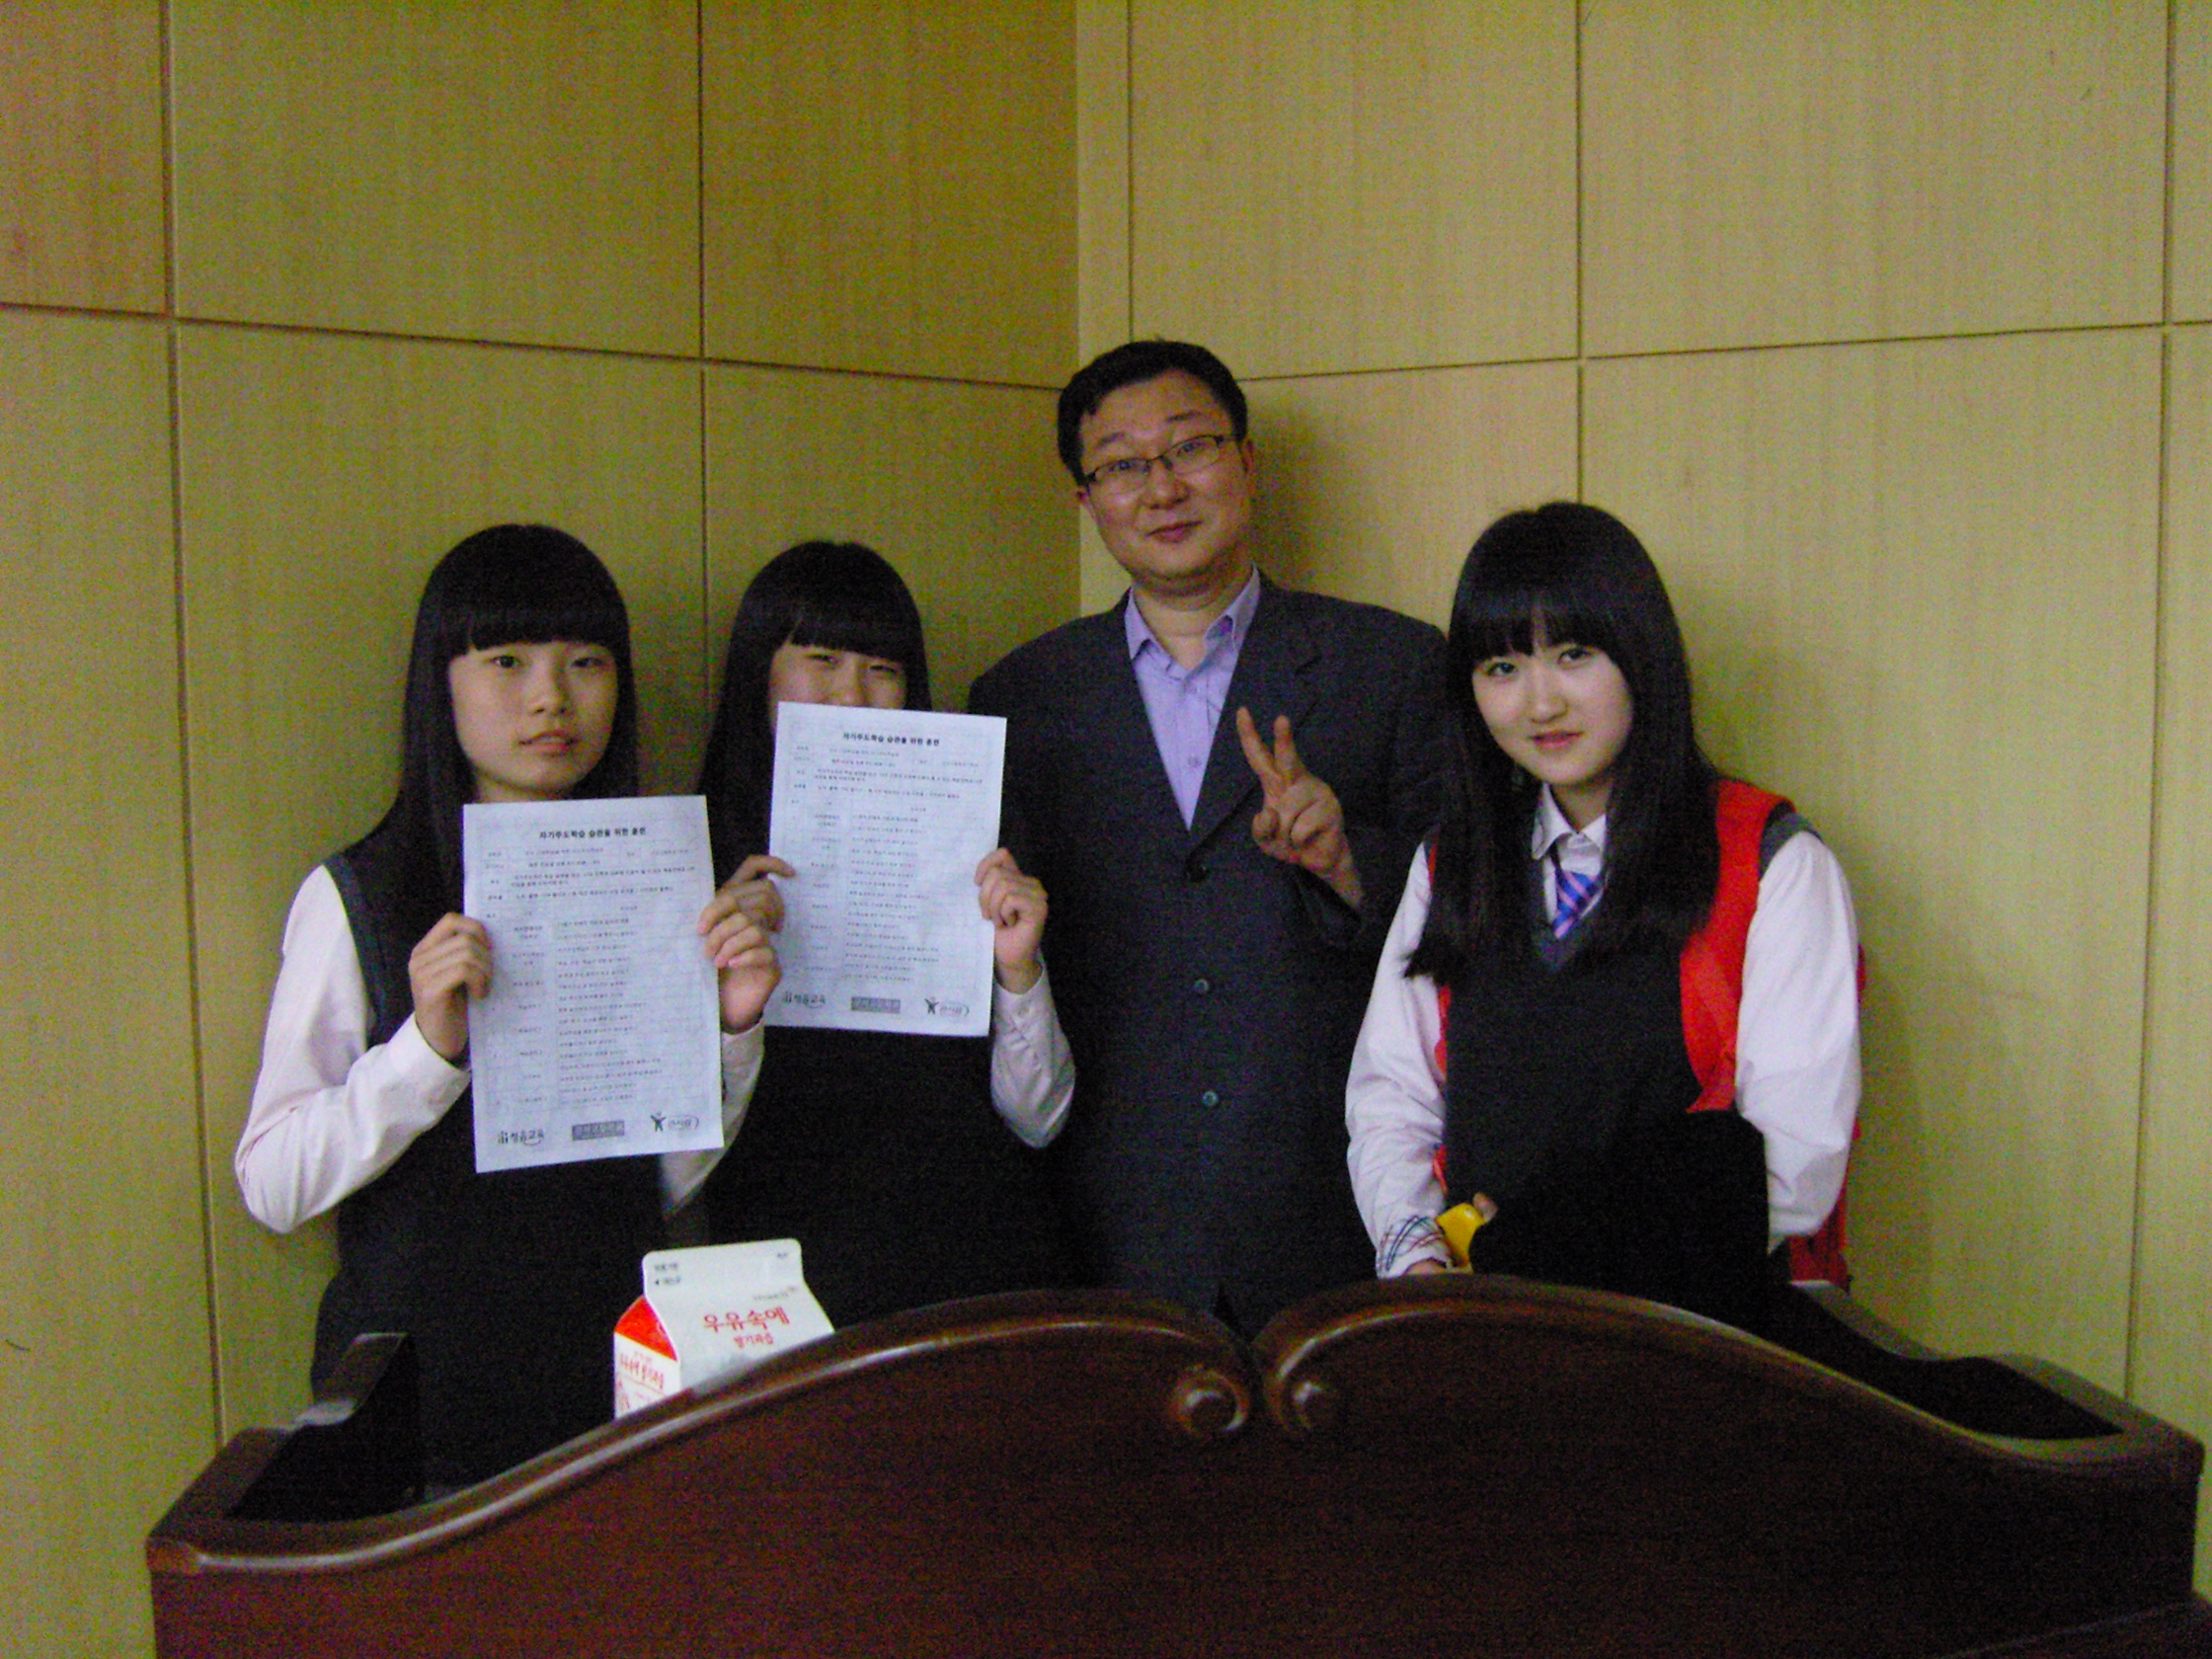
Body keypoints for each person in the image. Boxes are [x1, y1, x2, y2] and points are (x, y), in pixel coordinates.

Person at [237, 524, 778, 1487]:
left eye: (586, 663)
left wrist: (733, 1031)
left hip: (613, 1405)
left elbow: (661, 1180)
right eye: (507, 662)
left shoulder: (652, 880)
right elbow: (273, 1183)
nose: (550, 698)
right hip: (421, 1423)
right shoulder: (363, 893)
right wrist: (426, 1052)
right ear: (440, 682)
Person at [969, 340, 1451, 1334]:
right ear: (1084, 499)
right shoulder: (1020, 699)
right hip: (1104, 1227)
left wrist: (1347, 861)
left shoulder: (1391, 666)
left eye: (1190, 448)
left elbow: (1476, 926)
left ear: (1247, 462)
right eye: (1122, 465)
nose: (1161, 488)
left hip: (1330, 1208)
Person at [1345, 502, 1859, 1327]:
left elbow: (1793, 1166)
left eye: (1574, 655)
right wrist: (1417, 1261)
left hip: (1704, 1341)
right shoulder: (1450, 862)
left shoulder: (1771, 864)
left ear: (1642, 654)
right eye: (1502, 667)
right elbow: (1391, 1098)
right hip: (1481, 1326)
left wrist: (1529, 1248)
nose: (1540, 704)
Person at [693, 539, 1074, 1325]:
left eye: (883, 669)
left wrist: (1018, 971)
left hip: (976, 1263)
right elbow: (671, 1162)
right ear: (759, 671)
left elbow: (1040, 1119)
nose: (854, 695)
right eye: (822, 659)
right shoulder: (700, 859)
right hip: (783, 1284)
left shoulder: (978, 843)